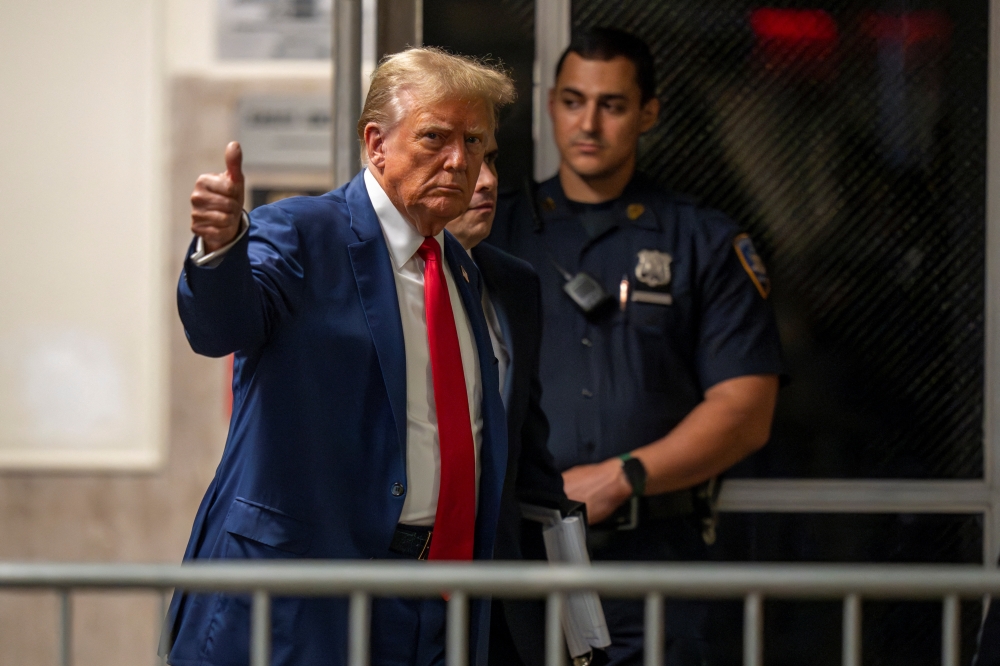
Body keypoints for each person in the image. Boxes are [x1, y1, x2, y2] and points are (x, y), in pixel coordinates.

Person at [164, 48, 515, 666]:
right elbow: (220, 326)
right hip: (297, 603)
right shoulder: (301, 233)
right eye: (435, 137)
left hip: (430, 601)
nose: (460, 161)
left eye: (476, 142)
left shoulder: (458, 267)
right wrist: (219, 252)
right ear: (376, 143)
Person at [488, 27, 783, 665]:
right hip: (520, 563)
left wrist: (626, 476)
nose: (588, 122)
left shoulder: (701, 241)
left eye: (612, 105)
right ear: (550, 103)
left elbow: (746, 409)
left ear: (648, 112)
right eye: (573, 101)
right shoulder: (497, 232)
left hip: (656, 564)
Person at [445, 138, 576, 666]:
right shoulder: (371, 279)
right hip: (393, 588)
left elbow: (530, 463)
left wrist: (573, 611)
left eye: (493, 159)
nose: (487, 181)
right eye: (467, 165)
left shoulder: (514, 284)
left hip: (498, 591)